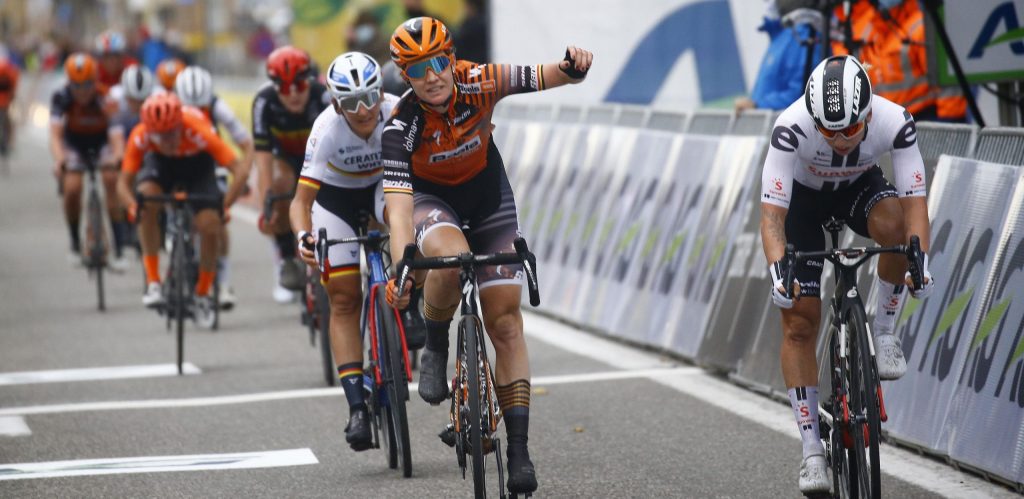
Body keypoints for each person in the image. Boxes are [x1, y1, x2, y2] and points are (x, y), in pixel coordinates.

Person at [381, 17, 592, 495]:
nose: (432, 75)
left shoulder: (481, 81)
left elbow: (548, 75)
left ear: (452, 60)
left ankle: (519, 450)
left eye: (439, 62)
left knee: (506, 324)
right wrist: (402, 269)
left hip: (489, 199)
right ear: (405, 78)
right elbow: (397, 214)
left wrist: (573, 65)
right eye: (418, 69)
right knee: (451, 261)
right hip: (432, 203)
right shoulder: (400, 126)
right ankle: (435, 342)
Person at [759, 55, 934, 494]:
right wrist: (778, 268)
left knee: (895, 228)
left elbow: (915, 206)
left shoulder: (895, 120)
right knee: (799, 322)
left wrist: (919, 259)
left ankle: (885, 329)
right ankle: (812, 452)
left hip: (859, 188)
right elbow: (772, 218)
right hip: (803, 202)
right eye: (828, 130)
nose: (838, 139)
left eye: (850, 130)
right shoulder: (791, 125)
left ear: (868, 113)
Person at [290, 51, 424, 450]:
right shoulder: (326, 129)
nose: (364, 110)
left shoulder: (396, 110)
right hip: (336, 200)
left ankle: (411, 300)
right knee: (344, 298)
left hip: (383, 184)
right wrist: (302, 237)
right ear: (335, 103)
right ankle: (357, 409)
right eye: (351, 103)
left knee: (410, 224)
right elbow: (300, 202)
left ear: (381, 91)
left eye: (370, 98)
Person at [116, 93, 246, 327]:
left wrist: (225, 206)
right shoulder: (141, 135)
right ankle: (153, 281)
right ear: (150, 130)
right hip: (161, 165)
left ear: (180, 125)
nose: (168, 141)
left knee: (209, 224)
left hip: (198, 165)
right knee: (146, 201)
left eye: (172, 133)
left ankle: (204, 292)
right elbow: (123, 184)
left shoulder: (199, 130)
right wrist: (133, 208)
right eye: (161, 136)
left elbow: (240, 171)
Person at [252, 46, 331, 303]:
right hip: (284, 157)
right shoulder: (264, 102)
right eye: (285, 88)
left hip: (319, 157)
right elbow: (262, 160)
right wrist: (267, 202)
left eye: (299, 84)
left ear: (309, 80)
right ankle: (287, 257)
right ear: (275, 87)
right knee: (279, 186)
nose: (294, 94)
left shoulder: (322, 97)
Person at [176, 65, 254, 310]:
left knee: (217, 219)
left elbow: (247, 145)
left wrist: (242, 177)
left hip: (211, 164)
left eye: (201, 108)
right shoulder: (169, 106)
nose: (196, 113)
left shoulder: (218, 107)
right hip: (178, 164)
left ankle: (222, 283)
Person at [49, 53, 129, 269]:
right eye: (77, 86)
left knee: (112, 180)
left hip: (101, 142)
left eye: (87, 85)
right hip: (74, 144)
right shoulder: (61, 97)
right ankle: (75, 241)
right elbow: (55, 135)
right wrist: (59, 160)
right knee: (73, 187)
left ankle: (119, 248)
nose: (82, 91)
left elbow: (116, 136)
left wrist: (119, 157)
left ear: (95, 81)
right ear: (69, 83)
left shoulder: (106, 97)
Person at [832, 0, 967, 122]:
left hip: (927, 118)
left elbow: (948, 86)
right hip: (891, 123)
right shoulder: (873, 32)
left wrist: (949, 125)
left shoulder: (921, 27)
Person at [735, 0, 824, 112]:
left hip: (780, 126)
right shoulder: (783, 36)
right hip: (767, 125)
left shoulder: (803, 37)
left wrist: (757, 105)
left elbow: (803, 94)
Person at [0, 56, 20, 161]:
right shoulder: (11, 72)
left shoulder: (11, 73)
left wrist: (11, 97)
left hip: (5, 103)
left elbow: (13, 88)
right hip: (4, 103)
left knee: (6, 123)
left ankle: (5, 144)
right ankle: (5, 143)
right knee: (5, 124)